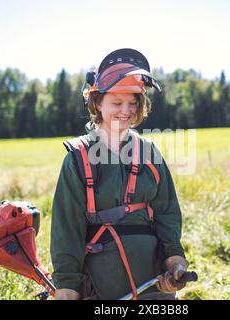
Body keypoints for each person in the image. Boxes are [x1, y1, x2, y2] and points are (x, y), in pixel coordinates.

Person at [50, 48, 189, 300]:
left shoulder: (149, 153)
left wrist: (175, 263)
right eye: (117, 102)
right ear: (97, 102)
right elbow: (66, 230)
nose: (126, 110)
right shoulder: (77, 158)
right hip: (102, 287)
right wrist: (66, 289)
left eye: (133, 102)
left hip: (154, 286)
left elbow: (167, 214)